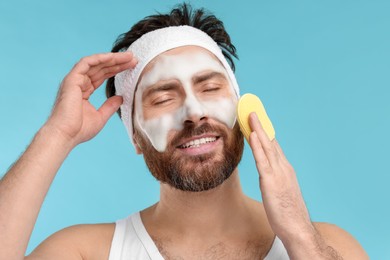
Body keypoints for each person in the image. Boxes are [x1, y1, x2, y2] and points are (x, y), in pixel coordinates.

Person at [0, 3, 368, 260]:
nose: (194, 113)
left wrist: (300, 235)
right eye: (163, 98)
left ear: (242, 107)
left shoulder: (330, 246)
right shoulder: (87, 252)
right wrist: (57, 135)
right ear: (135, 137)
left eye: (210, 88)